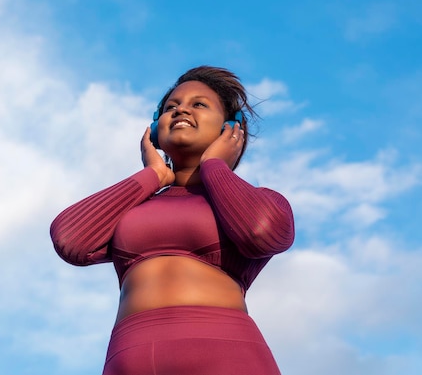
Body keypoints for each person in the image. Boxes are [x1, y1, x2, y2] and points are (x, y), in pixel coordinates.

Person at [50, 66, 295, 375]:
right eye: (170, 107)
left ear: (231, 128)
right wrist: (152, 175)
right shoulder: (134, 205)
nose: (181, 109)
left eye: (199, 104)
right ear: (154, 128)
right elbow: (70, 240)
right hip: (128, 356)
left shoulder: (256, 199)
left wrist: (215, 166)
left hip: (226, 354)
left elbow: (263, 233)